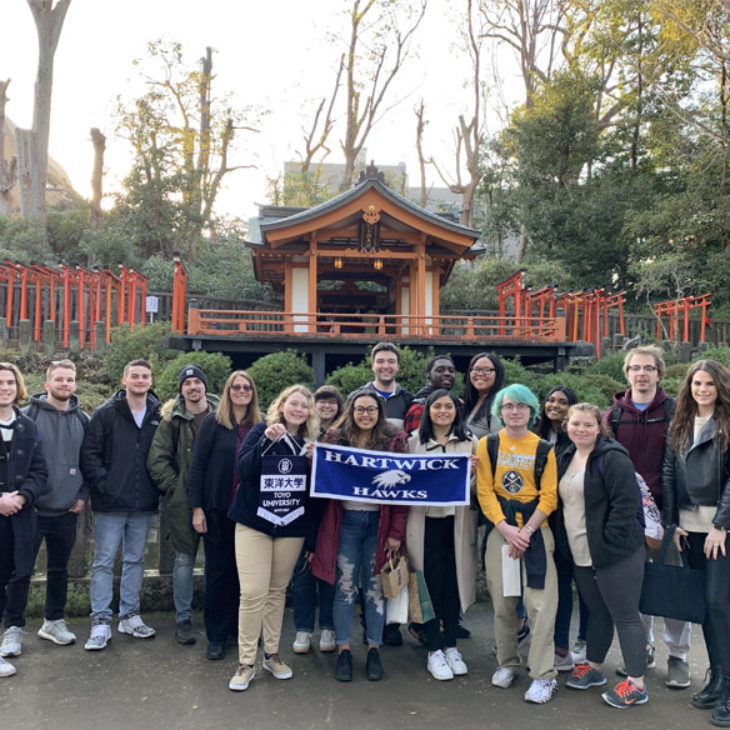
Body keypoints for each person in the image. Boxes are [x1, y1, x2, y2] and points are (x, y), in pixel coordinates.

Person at [605, 345, 690, 688]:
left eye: (649, 368)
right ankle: (643, 650)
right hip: (628, 516)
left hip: (667, 514)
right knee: (634, 589)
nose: (642, 374)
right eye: (635, 368)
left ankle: (679, 656)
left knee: (671, 587)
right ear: (626, 373)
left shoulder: (676, 412)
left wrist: (677, 514)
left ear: (659, 373)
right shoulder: (613, 415)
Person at [311, 389, 408, 683]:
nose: (365, 415)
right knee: (344, 589)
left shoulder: (395, 442)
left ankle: (374, 648)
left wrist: (396, 532)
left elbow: (404, 493)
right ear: (351, 411)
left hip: (379, 523)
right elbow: (319, 480)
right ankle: (343, 649)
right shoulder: (334, 440)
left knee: (376, 589)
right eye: (360, 409)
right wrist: (311, 459)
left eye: (371, 409)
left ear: (380, 412)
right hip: (346, 523)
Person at [227, 385, 320, 692]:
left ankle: (272, 654)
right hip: (255, 523)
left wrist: (315, 463)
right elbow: (244, 470)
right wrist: (266, 443)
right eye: (293, 403)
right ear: (281, 405)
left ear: (310, 412)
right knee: (253, 592)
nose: (297, 410)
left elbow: (317, 492)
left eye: (304, 406)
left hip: (291, 525)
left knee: (277, 591)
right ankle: (245, 661)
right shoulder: (261, 430)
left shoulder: (312, 444)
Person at [557, 403, 647, 709]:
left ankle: (637, 684)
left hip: (615, 552)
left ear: (600, 427)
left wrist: (608, 544)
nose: (581, 430)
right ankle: (594, 668)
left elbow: (626, 504)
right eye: (575, 424)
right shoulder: (566, 456)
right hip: (581, 550)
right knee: (597, 612)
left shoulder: (613, 458)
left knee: (625, 615)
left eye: (588, 425)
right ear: (566, 425)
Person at [476, 383, 559, 704]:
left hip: (536, 532)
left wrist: (526, 532)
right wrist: (506, 528)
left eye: (521, 406)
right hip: (502, 531)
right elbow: (484, 490)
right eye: (508, 406)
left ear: (530, 411)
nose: (514, 411)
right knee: (504, 602)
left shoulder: (542, 449)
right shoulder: (488, 444)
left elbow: (549, 495)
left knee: (540, 605)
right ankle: (507, 662)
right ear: (500, 411)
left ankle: (543, 674)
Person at [1, 360, 88, 659]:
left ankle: (53, 620)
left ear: (75, 383)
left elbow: (90, 460)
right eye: (59, 379)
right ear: (47, 383)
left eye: (70, 379)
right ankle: (13, 627)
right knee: (20, 570)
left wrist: (83, 494)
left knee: (59, 569)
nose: (65, 384)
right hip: (31, 510)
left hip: (66, 509)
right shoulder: (27, 417)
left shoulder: (83, 419)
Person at [662, 359, 730, 725]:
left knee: (721, 605)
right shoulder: (682, 421)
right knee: (705, 607)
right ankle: (718, 678)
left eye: (709, 384)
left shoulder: (728, 423)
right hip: (689, 528)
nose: (702, 390)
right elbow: (669, 471)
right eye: (696, 383)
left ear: (721, 387)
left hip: (721, 530)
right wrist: (672, 522)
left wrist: (722, 524)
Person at [80, 359, 161, 651]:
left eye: (145, 376)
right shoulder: (106, 413)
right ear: (124, 380)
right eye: (135, 376)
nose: (140, 380)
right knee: (103, 562)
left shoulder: (158, 414)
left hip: (143, 502)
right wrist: (106, 485)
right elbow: (90, 454)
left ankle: (130, 615)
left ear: (151, 381)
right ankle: (100, 621)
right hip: (110, 503)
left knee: (135, 560)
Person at [188, 370, 261, 661]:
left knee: (246, 577)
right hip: (218, 509)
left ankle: (238, 631)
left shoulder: (260, 425)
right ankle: (216, 636)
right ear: (228, 391)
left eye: (247, 387)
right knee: (218, 574)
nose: (241, 391)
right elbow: (197, 468)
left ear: (253, 392)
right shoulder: (213, 423)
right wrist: (197, 508)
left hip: (250, 512)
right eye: (236, 387)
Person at [406, 389, 478, 680]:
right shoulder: (413, 443)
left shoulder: (471, 443)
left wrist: (473, 474)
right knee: (428, 585)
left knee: (453, 584)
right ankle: (433, 647)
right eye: (437, 406)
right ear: (428, 410)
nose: (443, 411)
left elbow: (478, 490)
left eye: (449, 406)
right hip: (424, 524)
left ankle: (451, 644)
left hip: (457, 524)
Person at [147, 364, 218, 646]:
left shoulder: (221, 414)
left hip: (216, 498)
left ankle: (217, 613)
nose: (192, 387)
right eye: (187, 383)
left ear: (205, 386)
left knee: (218, 561)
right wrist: (176, 488)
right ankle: (183, 618)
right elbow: (157, 459)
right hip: (183, 501)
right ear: (181, 389)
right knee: (184, 559)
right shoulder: (172, 420)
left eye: (197, 382)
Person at [535, 385, 588, 672]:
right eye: (550, 399)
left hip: (573, 518)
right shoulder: (535, 434)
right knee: (559, 587)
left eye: (563, 402)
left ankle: (585, 640)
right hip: (545, 520)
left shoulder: (577, 438)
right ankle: (560, 645)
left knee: (585, 585)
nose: (555, 405)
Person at [0, 363, 47, 679]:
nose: (4, 388)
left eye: (9, 383)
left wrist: (22, 497)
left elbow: (40, 471)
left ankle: (11, 630)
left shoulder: (28, 426)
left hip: (20, 516)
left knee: (16, 575)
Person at [291, 384, 343, 655]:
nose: (326, 407)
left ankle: (328, 626)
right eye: (321, 402)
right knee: (301, 573)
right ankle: (302, 628)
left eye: (331, 403)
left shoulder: (344, 436)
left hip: (331, 511)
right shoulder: (301, 432)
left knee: (328, 571)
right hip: (300, 510)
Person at [358, 342, 413, 430]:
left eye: (391, 362)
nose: (386, 366)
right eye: (380, 361)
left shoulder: (408, 400)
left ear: (398, 366)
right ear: (372, 366)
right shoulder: (356, 398)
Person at [404, 355, 456, 433]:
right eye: (440, 370)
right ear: (428, 374)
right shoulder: (419, 407)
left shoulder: (458, 404)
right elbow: (414, 442)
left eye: (451, 371)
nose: (447, 374)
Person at [463, 352, 504, 439]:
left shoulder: (498, 404)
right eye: (476, 369)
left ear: (498, 374)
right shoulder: (472, 402)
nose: (480, 374)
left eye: (487, 370)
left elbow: (500, 443)